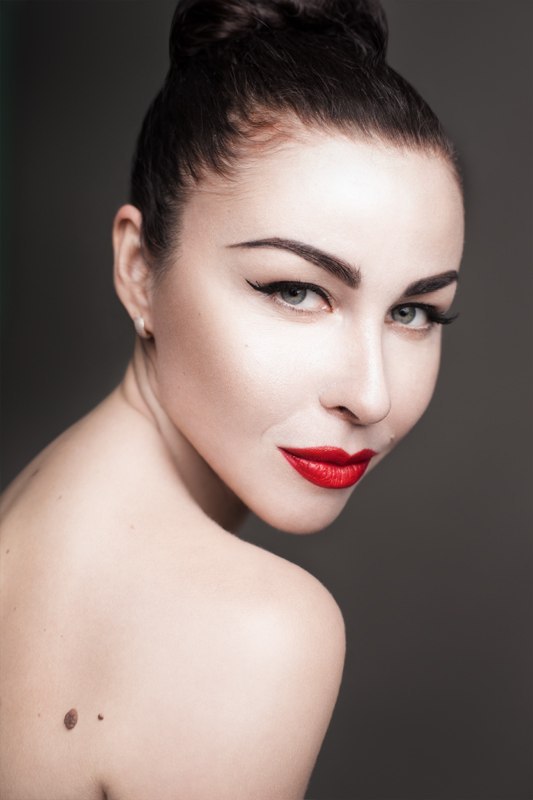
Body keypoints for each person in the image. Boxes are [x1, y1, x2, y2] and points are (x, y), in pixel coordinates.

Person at [0, 0, 464, 797]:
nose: (370, 394)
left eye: (413, 312)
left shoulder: (32, 513)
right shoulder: (258, 629)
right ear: (139, 269)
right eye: (294, 291)